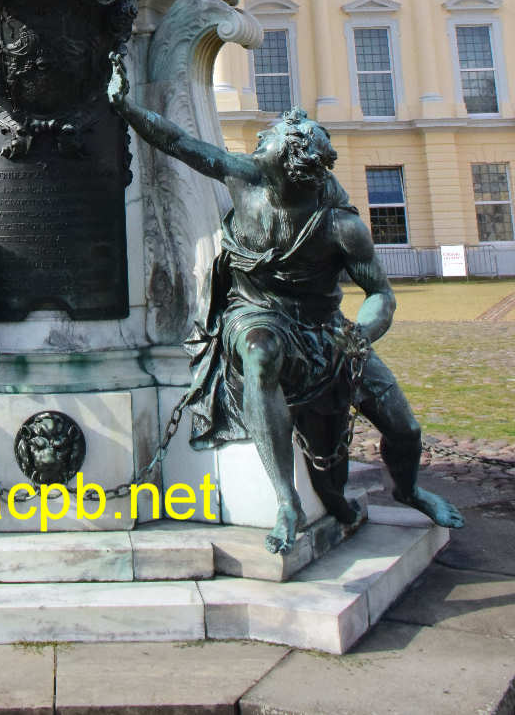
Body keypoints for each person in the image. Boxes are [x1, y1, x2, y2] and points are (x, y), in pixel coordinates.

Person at [107, 59, 463, 554]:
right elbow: (178, 143)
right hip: (254, 312)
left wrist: (360, 334)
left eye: (268, 140)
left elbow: (381, 294)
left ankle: (410, 490)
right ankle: (285, 500)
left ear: (289, 163)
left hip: (323, 326)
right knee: (259, 352)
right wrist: (124, 106)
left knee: (404, 426)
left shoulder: (341, 226)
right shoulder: (244, 176)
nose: (257, 143)